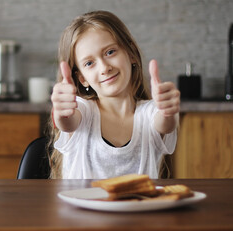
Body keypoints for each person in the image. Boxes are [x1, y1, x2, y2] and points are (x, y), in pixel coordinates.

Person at [48, 10, 180, 179]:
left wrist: (168, 111)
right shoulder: (83, 110)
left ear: (131, 54)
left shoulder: (149, 113)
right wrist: (61, 112)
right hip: (83, 206)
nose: (104, 68)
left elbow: (165, 123)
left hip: (138, 206)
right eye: (89, 63)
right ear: (82, 78)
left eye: (110, 52)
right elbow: (67, 122)